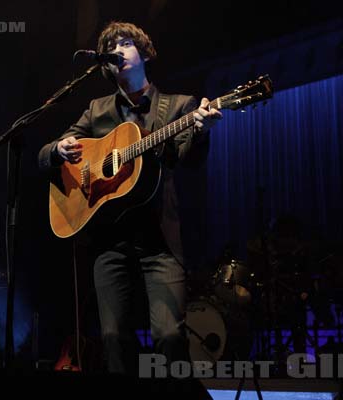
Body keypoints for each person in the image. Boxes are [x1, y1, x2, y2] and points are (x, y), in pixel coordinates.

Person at [38, 21, 222, 376]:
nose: (117, 50)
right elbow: (50, 152)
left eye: (125, 43)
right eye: (111, 47)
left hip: (159, 243)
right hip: (110, 242)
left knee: (168, 335)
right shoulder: (97, 110)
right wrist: (58, 149)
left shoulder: (178, 106)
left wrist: (200, 131)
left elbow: (190, 161)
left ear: (144, 53)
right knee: (112, 337)